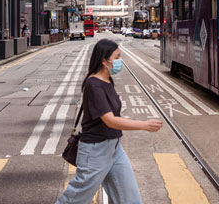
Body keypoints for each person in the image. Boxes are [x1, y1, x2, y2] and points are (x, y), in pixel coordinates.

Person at [56, 39, 163, 204]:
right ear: (104, 61)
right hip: (95, 152)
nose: (120, 61)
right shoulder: (94, 85)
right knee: (76, 199)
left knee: (130, 198)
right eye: (117, 57)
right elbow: (110, 121)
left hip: (114, 148)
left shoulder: (107, 81)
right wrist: (144, 125)